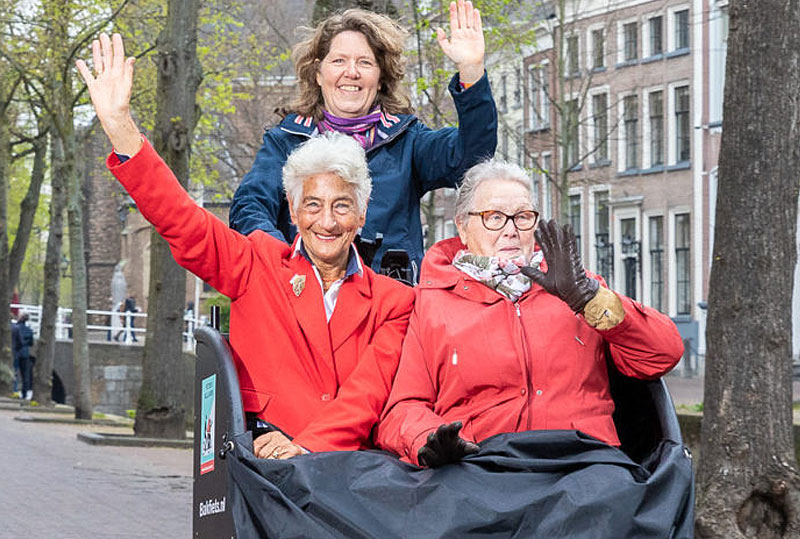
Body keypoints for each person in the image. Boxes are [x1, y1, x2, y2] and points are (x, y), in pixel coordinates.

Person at [77, 33, 414, 458]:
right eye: (312, 204)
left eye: (342, 206)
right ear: (292, 211)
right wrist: (121, 129)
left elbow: (367, 394)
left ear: (362, 215)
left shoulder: (395, 301)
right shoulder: (257, 264)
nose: (327, 221)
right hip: (264, 468)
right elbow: (182, 219)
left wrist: (305, 447)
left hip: (347, 474)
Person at [375, 159, 685, 467]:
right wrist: (429, 439)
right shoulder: (431, 303)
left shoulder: (577, 288)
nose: (511, 230)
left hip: (583, 464)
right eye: (494, 217)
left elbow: (663, 354)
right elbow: (403, 408)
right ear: (463, 227)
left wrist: (588, 298)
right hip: (481, 465)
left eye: (522, 217)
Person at [229, 1, 497, 277]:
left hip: (389, 304)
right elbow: (249, 207)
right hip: (306, 299)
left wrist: (471, 70)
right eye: (339, 61)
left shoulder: (406, 141)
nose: (352, 72)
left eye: (365, 62)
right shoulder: (286, 141)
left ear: (381, 77)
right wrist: (284, 261)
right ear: (319, 73)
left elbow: (472, 157)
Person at [12, 313, 34, 401]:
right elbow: (31, 343)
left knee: (14, 372)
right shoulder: (29, 330)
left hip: (16, 353)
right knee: (25, 374)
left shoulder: (15, 328)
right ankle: (24, 394)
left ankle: (14, 391)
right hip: (25, 354)